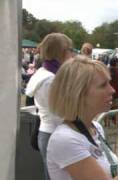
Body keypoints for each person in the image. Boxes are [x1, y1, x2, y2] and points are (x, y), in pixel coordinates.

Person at [25, 33, 74, 180]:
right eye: (70, 50)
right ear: (62, 52)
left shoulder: (48, 73)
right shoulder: (49, 79)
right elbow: (60, 112)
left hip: (53, 132)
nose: (72, 54)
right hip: (53, 132)